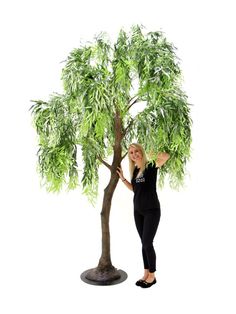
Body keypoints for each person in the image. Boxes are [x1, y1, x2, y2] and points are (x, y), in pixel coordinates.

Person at [116, 143, 170, 288]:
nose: (134, 154)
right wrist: (122, 178)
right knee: (143, 244)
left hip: (152, 210)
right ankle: (146, 272)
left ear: (142, 151)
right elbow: (135, 189)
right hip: (138, 211)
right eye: (131, 152)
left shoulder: (151, 165)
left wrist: (150, 151)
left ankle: (152, 275)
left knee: (147, 243)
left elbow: (166, 156)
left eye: (137, 151)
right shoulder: (134, 171)